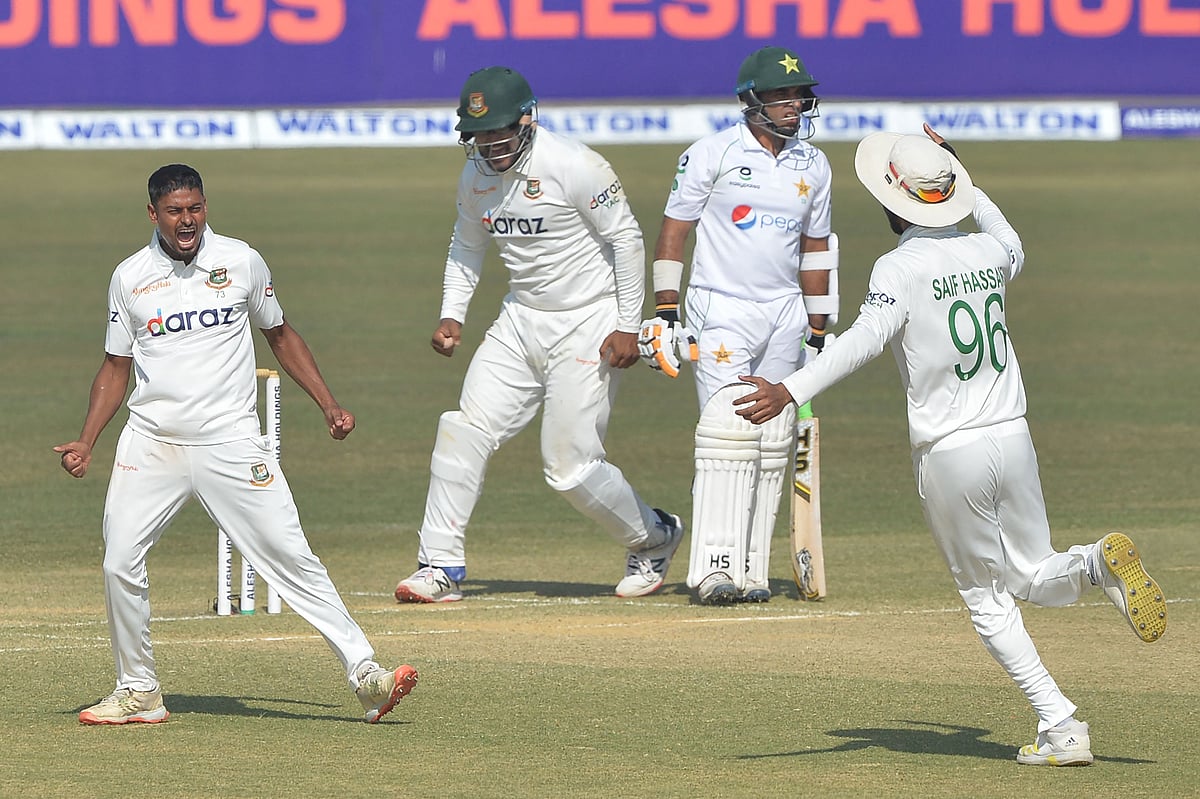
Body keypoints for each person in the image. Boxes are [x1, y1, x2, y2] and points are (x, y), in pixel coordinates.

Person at [732, 127, 1167, 765]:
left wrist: (790, 389)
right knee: (1035, 574)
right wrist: (963, 175)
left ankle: (1063, 724)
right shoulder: (987, 252)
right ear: (951, 193)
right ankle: (1098, 564)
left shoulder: (899, 267)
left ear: (892, 203)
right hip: (1012, 436)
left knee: (986, 600)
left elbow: (862, 339)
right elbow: (1011, 240)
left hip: (950, 451)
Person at [55, 164, 417, 725]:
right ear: (153, 214)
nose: (187, 221)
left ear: (206, 207)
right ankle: (138, 691)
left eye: (195, 208)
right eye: (175, 211)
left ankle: (367, 675)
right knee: (119, 562)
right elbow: (114, 366)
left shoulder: (241, 260)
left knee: (291, 557)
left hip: (232, 441)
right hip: (152, 443)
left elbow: (280, 334)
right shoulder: (128, 277)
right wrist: (86, 439)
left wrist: (328, 403)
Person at [393, 66, 683, 604]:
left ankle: (654, 536)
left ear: (528, 121)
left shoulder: (576, 165)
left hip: (588, 321)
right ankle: (440, 567)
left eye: (499, 133)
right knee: (463, 429)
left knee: (569, 468)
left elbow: (626, 240)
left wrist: (627, 324)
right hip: (520, 318)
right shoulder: (476, 174)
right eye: (478, 136)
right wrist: (452, 314)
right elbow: (466, 243)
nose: (489, 145)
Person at [638, 46, 837, 604]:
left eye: (798, 94)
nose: (794, 105)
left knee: (771, 437)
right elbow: (675, 230)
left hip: (784, 312)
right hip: (720, 305)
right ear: (752, 100)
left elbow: (816, 250)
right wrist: (667, 311)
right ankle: (711, 568)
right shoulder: (712, 153)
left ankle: (749, 569)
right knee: (727, 435)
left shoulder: (813, 164)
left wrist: (819, 329)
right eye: (781, 95)